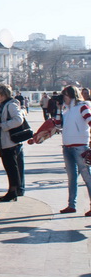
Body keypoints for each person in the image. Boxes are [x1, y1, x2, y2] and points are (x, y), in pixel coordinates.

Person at [57, 86, 91, 215]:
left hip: (80, 146)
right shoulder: (66, 110)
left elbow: (90, 121)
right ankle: (71, 205)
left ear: (70, 95)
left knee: (87, 177)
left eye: (64, 95)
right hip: (67, 146)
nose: (62, 98)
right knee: (71, 177)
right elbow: (58, 124)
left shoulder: (82, 106)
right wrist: (59, 109)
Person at [0, 85, 25, 202]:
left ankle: (13, 191)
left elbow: (18, 120)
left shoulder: (11, 104)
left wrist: (3, 125)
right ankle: (12, 190)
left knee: (12, 167)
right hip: (2, 141)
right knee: (9, 167)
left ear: (3, 94)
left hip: (10, 141)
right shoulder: (1, 104)